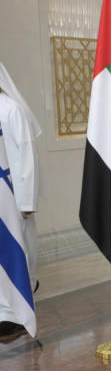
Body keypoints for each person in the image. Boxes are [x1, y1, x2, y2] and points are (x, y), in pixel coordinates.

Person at [0, 63, 40, 291]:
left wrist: (27, 200)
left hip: (14, 196)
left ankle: (27, 291)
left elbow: (27, 156)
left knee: (21, 247)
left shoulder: (11, 109)